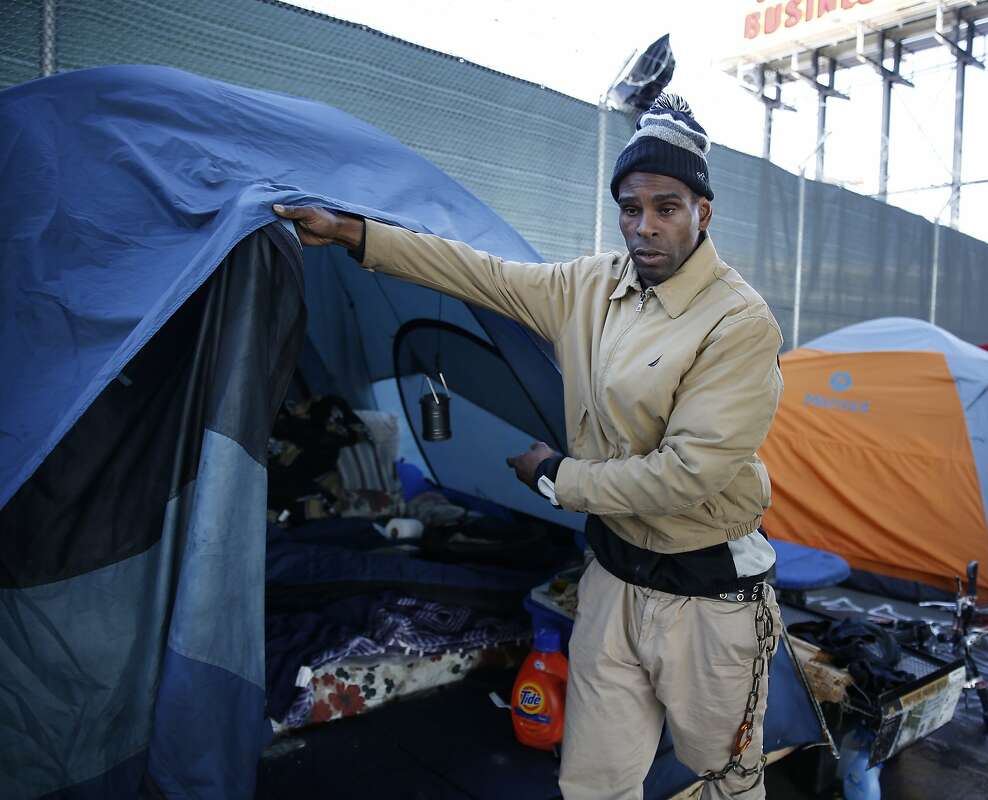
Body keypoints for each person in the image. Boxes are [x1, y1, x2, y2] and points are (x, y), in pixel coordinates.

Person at [273, 93, 785, 800]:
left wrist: (556, 478)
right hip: (611, 578)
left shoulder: (736, 322)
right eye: (630, 208)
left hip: (705, 595)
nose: (645, 227)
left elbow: (686, 476)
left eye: (666, 208)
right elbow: (476, 273)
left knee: (724, 772)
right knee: (595, 780)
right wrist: (356, 233)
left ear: (703, 211)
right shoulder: (589, 287)